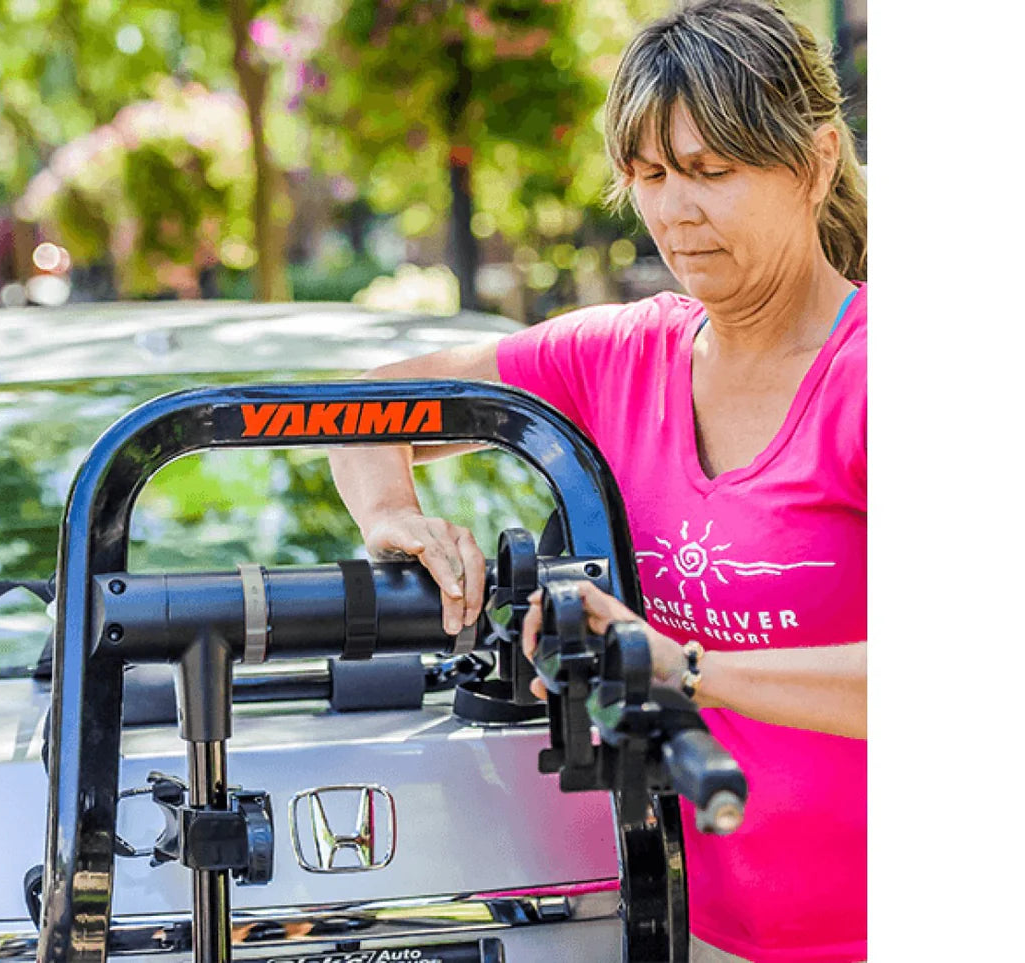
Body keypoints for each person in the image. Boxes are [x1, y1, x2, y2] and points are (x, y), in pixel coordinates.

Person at [327, 2, 867, 960]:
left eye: (712, 170)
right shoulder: (621, 357)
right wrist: (394, 515)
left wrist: (684, 666)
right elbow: (366, 407)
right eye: (650, 175)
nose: (675, 211)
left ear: (817, 161)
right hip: (687, 932)